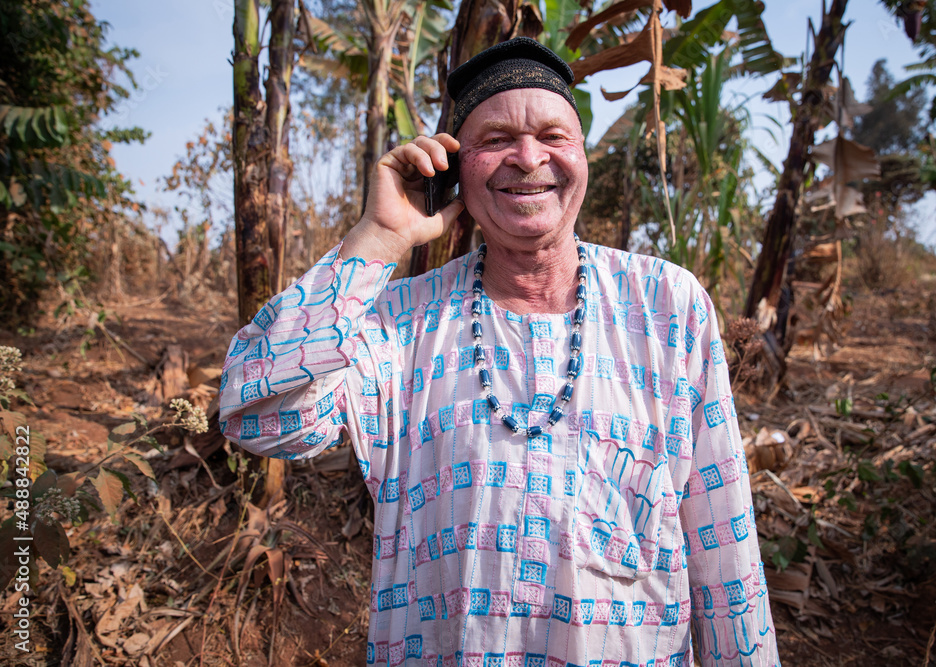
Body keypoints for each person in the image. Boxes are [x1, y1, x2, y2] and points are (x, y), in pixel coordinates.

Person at [220, 37, 779, 667]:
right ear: (454, 172)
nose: (528, 158)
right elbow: (259, 416)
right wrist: (378, 239)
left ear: (583, 157)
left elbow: (725, 548)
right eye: (494, 141)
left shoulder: (666, 305)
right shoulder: (398, 323)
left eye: (552, 135)